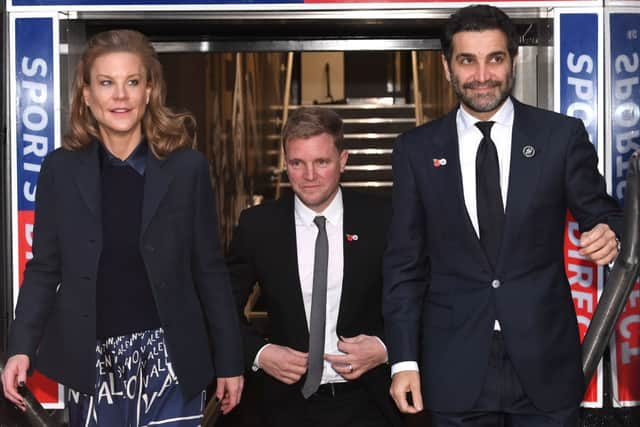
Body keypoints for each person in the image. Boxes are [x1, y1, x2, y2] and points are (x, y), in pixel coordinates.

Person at [383, 5, 623, 426]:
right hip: (453, 368)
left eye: (495, 58)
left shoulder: (560, 136)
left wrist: (609, 232)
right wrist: (403, 360)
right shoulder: (415, 150)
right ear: (446, 67)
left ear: (514, 60)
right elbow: (403, 263)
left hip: (545, 365)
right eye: (467, 60)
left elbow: (604, 212)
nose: (482, 75)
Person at [1, 29, 243, 426]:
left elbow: (209, 270)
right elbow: (45, 268)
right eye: (106, 83)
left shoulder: (188, 169)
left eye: (132, 82)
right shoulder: (59, 171)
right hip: (93, 367)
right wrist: (19, 347)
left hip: (174, 364)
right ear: (86, 93)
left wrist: (230, 360)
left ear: (149, 91)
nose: (120, 96)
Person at [228, 107, 403, 427]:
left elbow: (422, 296)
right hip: (282, 406)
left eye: (321, 162)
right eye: (297, 163)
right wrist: (260, 353)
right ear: (285, 162)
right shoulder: (258, 226)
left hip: (369, 402)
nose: (309, 176)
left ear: (343, 160)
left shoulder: (384, 219)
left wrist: (383, 347)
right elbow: (219, 306)